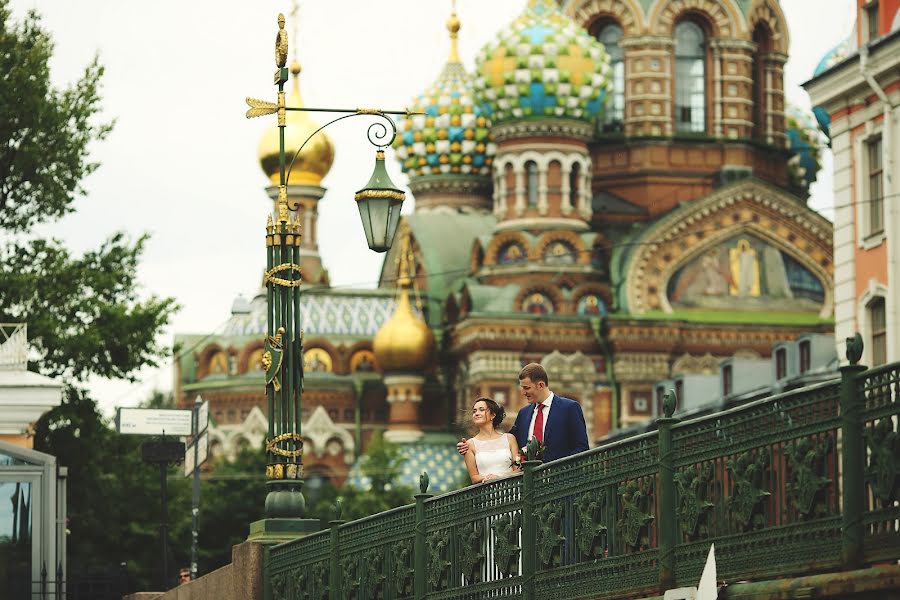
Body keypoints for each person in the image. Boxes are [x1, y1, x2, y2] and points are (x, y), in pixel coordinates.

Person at [458, 363, 589, 461]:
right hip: (529, 486)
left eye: (526, 388)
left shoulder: (569, 408)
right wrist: (473, 446)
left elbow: (581, 448)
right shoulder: (524, 414)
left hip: (561, 484)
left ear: (541, 385)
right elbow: (506, 442)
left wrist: (558, 469)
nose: (523, 392)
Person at [463, 397, 521, 484]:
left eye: (481, 410)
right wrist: (487, 478)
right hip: (487, 492)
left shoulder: (509, 438)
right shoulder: (469, 444)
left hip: (511, 489)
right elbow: (474, 477)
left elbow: (518, 470)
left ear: (493, 415)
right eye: (474, 411)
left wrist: (499, 477)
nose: (476, 413)